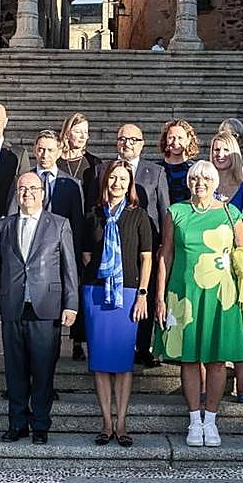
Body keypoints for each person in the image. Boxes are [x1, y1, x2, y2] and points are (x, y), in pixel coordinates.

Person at [154, 160, 243, 448]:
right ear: (188, 182)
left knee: (217, 360)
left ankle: (211, 419)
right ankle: (194, 420)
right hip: (184, 293)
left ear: (215, 182)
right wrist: (160, 297)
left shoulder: (230, 212)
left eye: (207, 179)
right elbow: (165, 255)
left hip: (221, 295)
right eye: (195, 178)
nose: (200, 183)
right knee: (189, 359)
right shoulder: (176, 212)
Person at [0, 171, 79, 445]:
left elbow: (69, 268)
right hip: (12, 305)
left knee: (43, 370)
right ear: (16, 194)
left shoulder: (58, 224)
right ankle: (17, 424)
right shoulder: (4, 226)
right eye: (22, 189)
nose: (27, 193)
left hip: (45, 307)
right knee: (15, 371)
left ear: (42, 193)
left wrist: (71, 304)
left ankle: (40, 424)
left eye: (33, 189)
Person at [80, 161, 153, 447]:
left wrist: (143, 293)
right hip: (97, 294)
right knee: (99, 362)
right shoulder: (93, 215)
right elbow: (86, 254)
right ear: (105, 181)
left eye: (123, 179)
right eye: (113, 178)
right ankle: (106, 423)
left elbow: (146, 258)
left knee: (123, 363)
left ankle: (121, 423)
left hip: (128, 294)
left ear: (130, 183)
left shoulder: (139, 215)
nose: (117, 183)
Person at [11, 130, 86, 361]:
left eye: (50, 150)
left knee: (51, 319)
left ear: (60, 152)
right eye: (41, 149)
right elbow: (11, 217)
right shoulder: (23, 181)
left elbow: (77, 224)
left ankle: (49, 365)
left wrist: (75, 259)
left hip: (58, 258)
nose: (45, 154)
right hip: (26, 260)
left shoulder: (72, 184)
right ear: (35, 150)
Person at [107, 123, 171, 367]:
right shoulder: (106, 170)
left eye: (133, 139)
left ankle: (143, 347)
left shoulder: (155, 172)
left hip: (147, 245)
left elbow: (164, 211)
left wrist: (164, 244)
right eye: (123, 139)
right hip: (115, 244)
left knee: (145, 294)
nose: (127, 143)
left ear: (142, 144)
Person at [209, 130, 243, 402]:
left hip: (238, 267)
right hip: (210, 267)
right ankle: (208, 384)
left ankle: (241, 384)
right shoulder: (204, 187)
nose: (220, 155)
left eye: (225, 150)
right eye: (215, 150)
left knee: (241, 327)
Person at [59, 112, 103, 209]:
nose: (83, 136)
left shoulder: (94, 162)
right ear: (67, 133)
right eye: (78, 132)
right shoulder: (55, 160)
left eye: (86, 132)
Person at [158, 119, 200, 204]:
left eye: (180, 138)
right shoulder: (157, 170)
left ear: (188, 140)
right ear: (165, 140)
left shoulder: (196, 169)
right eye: (171, 138)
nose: (175, 142)